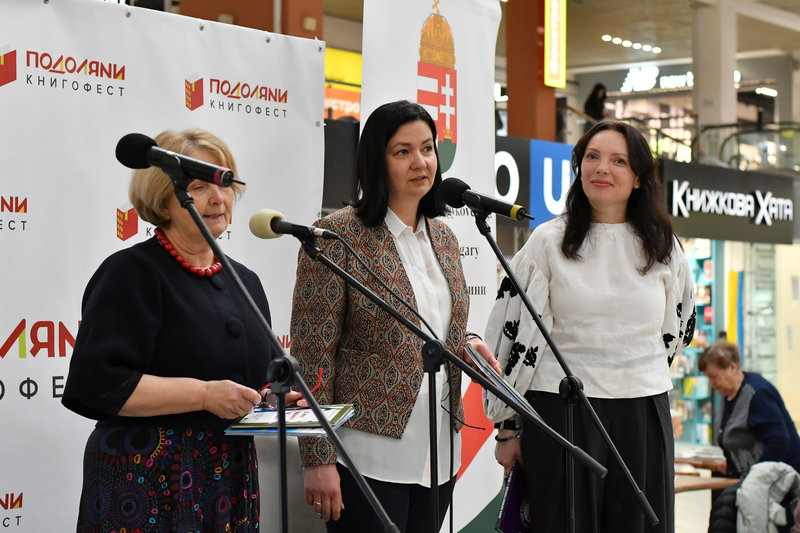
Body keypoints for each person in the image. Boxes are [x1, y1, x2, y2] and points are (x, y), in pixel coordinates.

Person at [62, 129, 290, 532]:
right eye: (198, 187)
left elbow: (255, 379)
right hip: (148, 473)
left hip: (228, 470)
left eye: (224, 183)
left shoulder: (246, 281)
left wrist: (274, 399)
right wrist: (204, 395)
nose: (218, 198)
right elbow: (99, 384)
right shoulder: (130, 272)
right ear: (161, 199)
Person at [290, 99, 499, 532]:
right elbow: (313, 356)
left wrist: (467, 343)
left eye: (427, 148)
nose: (420, 162)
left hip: (440, 451)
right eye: (402, 151)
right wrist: (317, 457)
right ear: (376, 160)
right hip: (366, 454)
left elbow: (434, 325)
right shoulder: (335, 236)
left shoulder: (445, 237)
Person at [484, 120, 696, 532]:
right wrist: (506, 428)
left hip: (642, 410)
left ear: (639, 177)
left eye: (619, 161)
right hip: (562, 411)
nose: (602, 168)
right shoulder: (548, 241)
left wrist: (634, 368)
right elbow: (509, 338)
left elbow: (677, 329)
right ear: (579, 167)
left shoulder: (663, 246)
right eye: (592, 157)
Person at [699, 340, 800, 478]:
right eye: (708, 378)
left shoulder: (756, 393)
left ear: (732, 367)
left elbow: (778, 440)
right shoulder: (728, 394)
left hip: (778, 479)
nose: (712, 383)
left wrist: (757, 478)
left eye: (714, 377)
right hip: (748, 477)